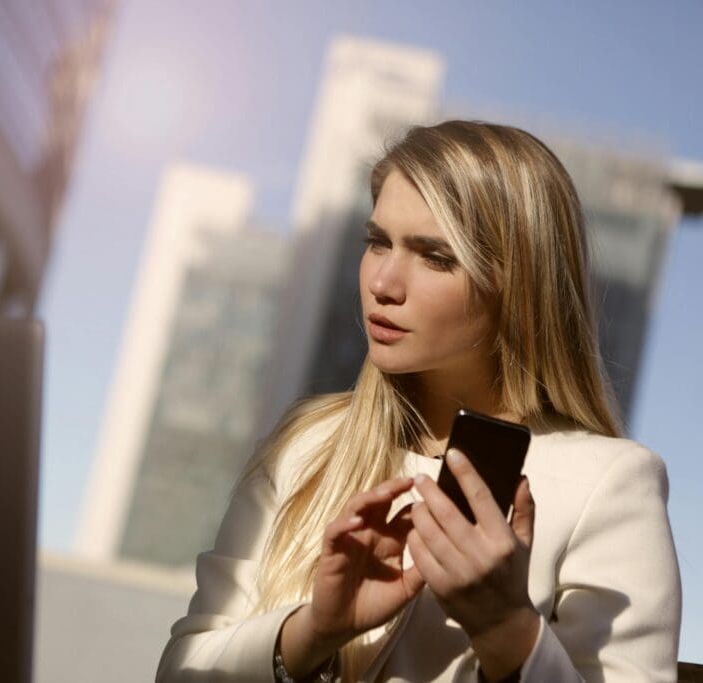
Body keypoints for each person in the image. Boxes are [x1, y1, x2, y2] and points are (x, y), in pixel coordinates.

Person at [156, 120, 681, 682]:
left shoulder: (608, 484)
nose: (383, 282)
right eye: (377, 242)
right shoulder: (307, 443)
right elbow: (181, 671)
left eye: (434, 256)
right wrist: (313, 631)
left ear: (520, 285)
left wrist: (508, 632)